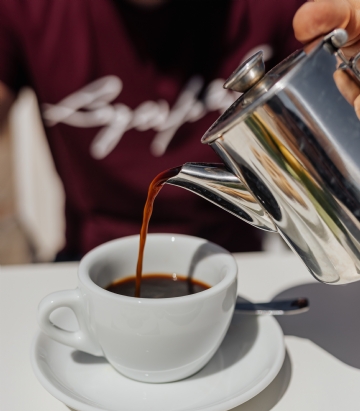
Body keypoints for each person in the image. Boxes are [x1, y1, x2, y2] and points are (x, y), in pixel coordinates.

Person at [0, 0, 358, 260]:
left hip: (238, 263)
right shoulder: (29, 10)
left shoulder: (274, 9)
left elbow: (338, 88)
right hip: (89, 261)